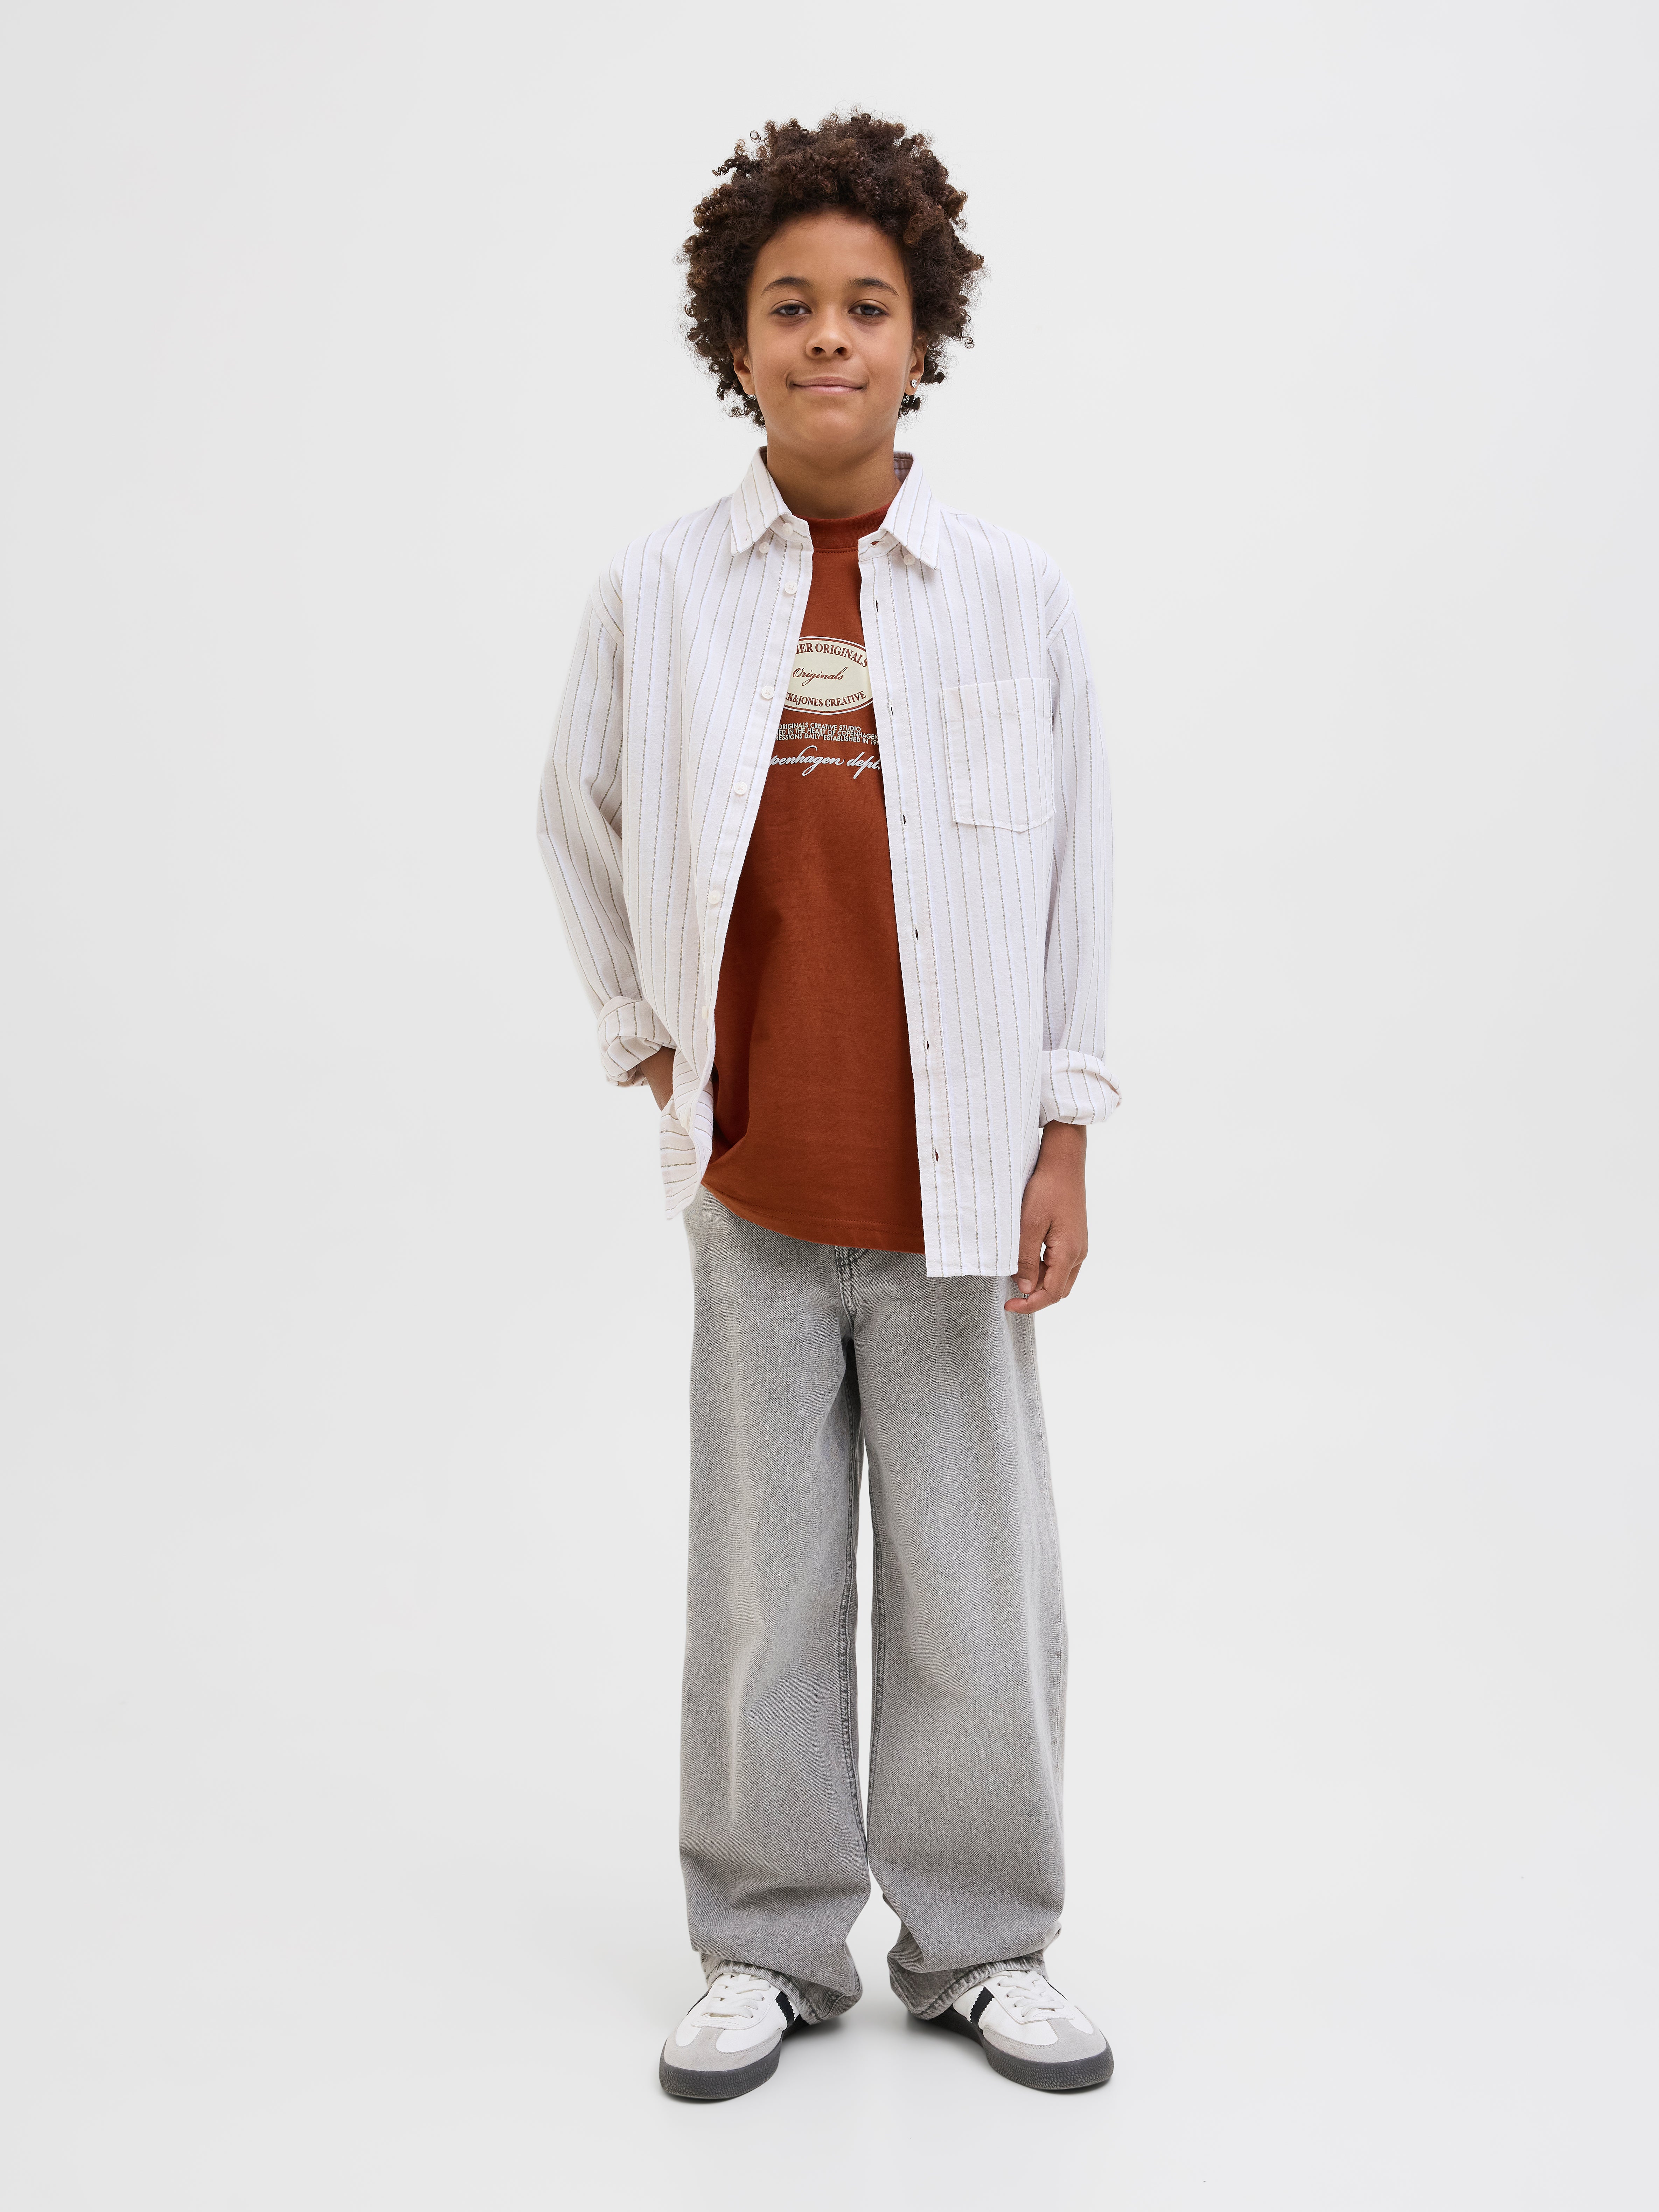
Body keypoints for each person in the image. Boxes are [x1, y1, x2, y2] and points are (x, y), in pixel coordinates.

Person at [538, 113, 1118, 2100]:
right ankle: (766, 1944)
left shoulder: (1010, 591)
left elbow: (1078, 872)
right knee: (765, 1592)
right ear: (737, 340)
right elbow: (577, 810)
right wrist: (645, 1030)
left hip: (954, 1186)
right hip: (759, 1184)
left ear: (920, 335)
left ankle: (983, 1942)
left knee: (976, 1590)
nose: (829, 339)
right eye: (788, 306)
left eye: (866, 305)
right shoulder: (662, 590)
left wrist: (1062, 1129)